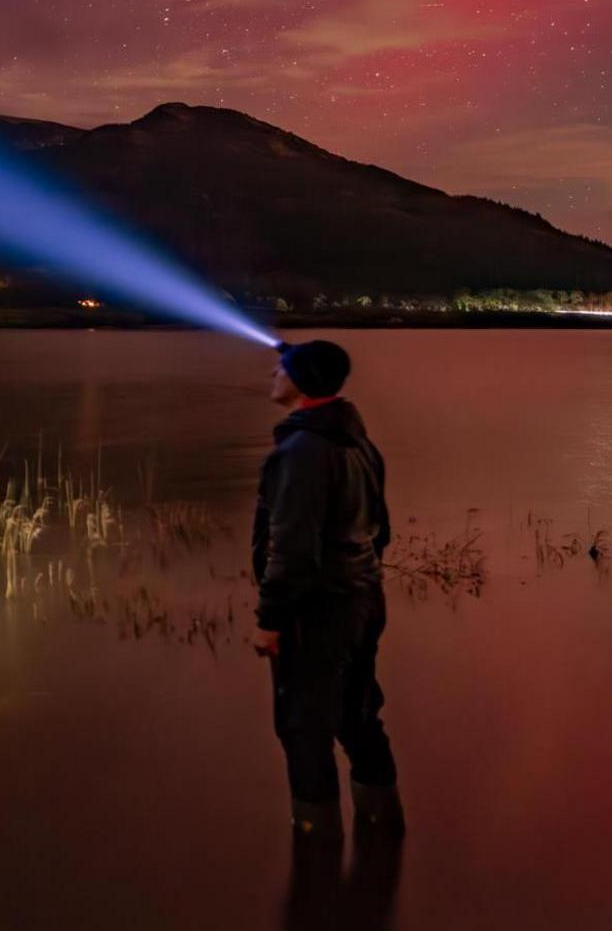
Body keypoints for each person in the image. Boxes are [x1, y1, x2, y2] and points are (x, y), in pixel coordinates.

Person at [252, 338, 401, 844]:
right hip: (363, 598)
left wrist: (271, 619)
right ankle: (382, 831)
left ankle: (317, 852)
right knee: (358, 715)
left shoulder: (301, 451)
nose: (273, 374)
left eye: (282, 368)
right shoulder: (359, 443)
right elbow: (380, 531)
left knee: (303, 727)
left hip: (316, 610)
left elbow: (291, 549)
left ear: (300, 383)